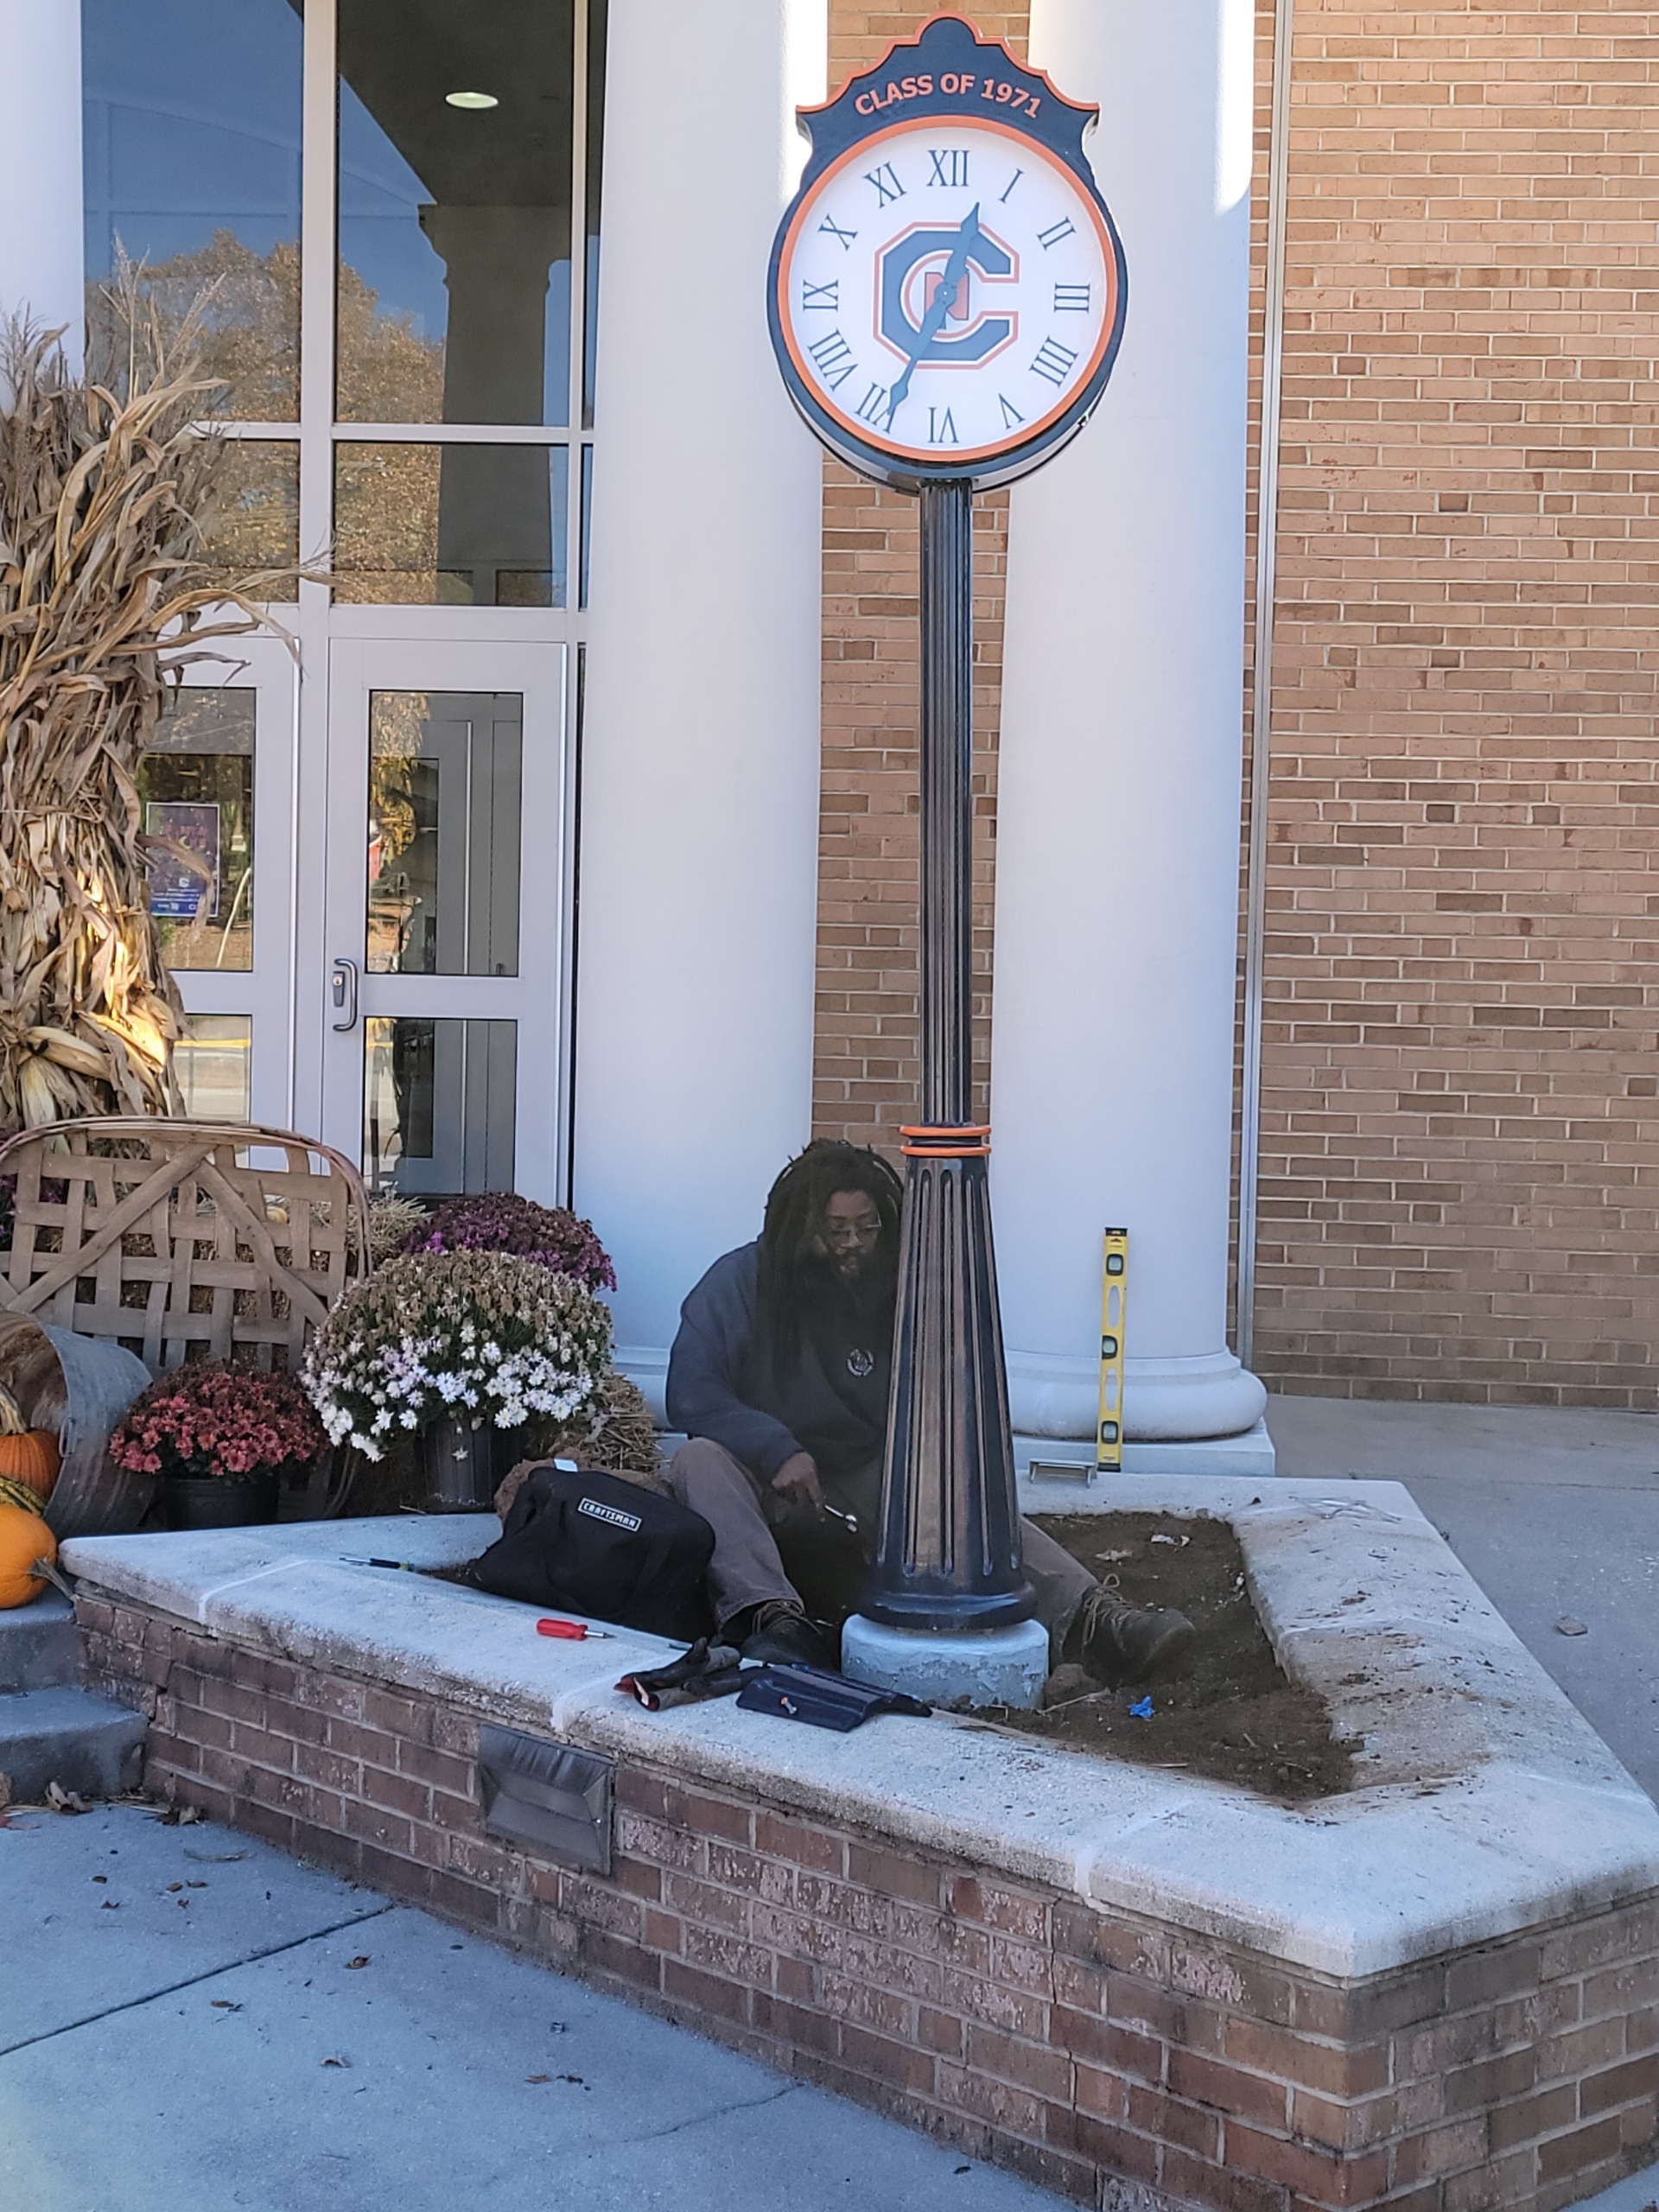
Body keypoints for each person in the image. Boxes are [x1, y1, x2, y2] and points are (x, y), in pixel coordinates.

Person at [664, 1139, 1195, 1684]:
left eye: (866, 1228)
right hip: (766, 1483)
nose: (853, 1244)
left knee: (964, 1509)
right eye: (836, 1230)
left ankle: (1098, 1622)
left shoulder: (900, 1282)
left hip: (869, 1478)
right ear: (798, 1228)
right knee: (697, 1460)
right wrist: (775, 1448)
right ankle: (773, 1625)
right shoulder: (737, 1283)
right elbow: (690, 1391)